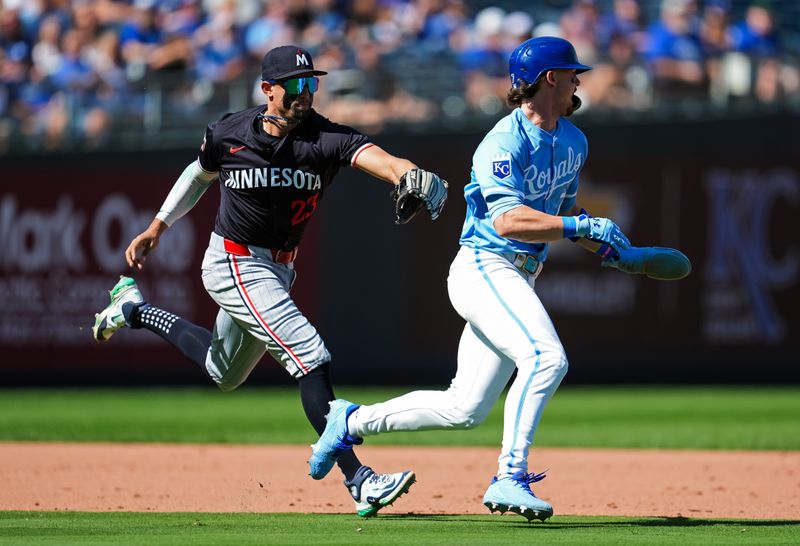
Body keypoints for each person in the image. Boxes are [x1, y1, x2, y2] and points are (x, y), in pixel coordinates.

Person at [91, 44, 447, 518]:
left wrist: (410, 172)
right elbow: (198, 176)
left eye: (312, 83)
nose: (306, 93)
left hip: (279, 266)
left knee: (223, 372)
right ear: (268, 90)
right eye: (296, 85)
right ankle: (358, 479)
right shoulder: (230, 132)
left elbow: (376, 157)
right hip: (233, 261)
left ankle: (132, 309)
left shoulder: (324, 137)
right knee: (310, 355)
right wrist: (159, 225)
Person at [307, 36, 632, 522]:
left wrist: (606, 245)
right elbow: (507, 222)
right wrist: (579, 227)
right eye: (570, 73)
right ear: (550, 79)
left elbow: (563, 214)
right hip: (484, 267)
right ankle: (510, 476)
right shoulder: (502, 142)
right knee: (546, 358)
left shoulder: (573, 141)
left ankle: (349, 420)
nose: (577, 81)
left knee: (465, 408)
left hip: (519, 276)